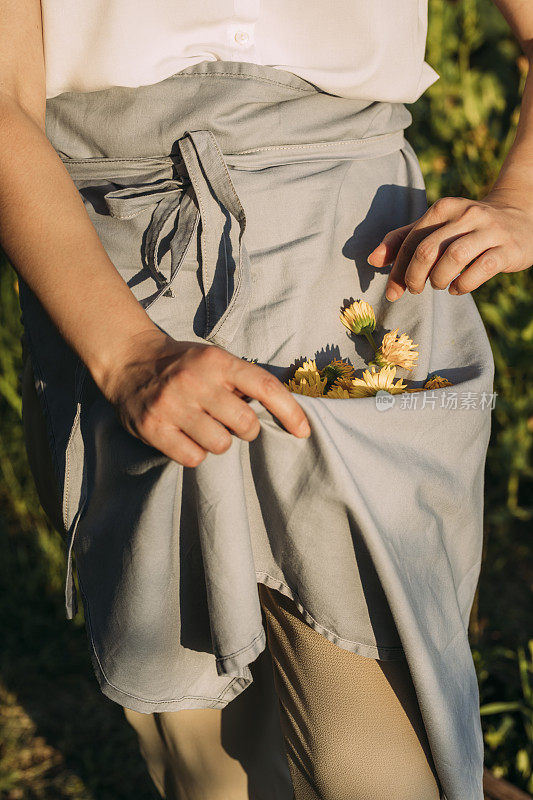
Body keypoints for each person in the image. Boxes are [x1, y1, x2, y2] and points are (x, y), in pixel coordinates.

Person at [4, 1, 533, 798]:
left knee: (375, 738)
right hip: (114, 271)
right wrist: (125, 353)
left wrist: (522, 197)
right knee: (206, 737)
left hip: (353, 270)